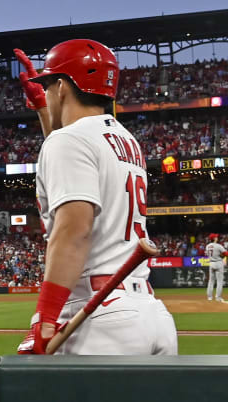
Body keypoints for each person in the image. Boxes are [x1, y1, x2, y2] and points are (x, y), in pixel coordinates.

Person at [13, 40, 177, 355]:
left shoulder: (69, 141)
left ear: (61, 87)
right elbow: (72, 155)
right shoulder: (126, 139)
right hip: (149, 311)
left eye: (47, 84)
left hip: (99, 317)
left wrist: (44, 320)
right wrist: (42, 110)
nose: (45, 91)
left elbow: (75, 230)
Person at [205, 233, 228, 303]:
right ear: (214, 238)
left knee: (211, 281)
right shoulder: (218, 246)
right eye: (216, 237)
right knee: (219, 281)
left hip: (211, 263)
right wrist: (221, 256)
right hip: (218, 263)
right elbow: (227, 254)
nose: (217, 238)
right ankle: (218, 297)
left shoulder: (207, 246)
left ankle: (209, 297)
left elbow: (207, 254)